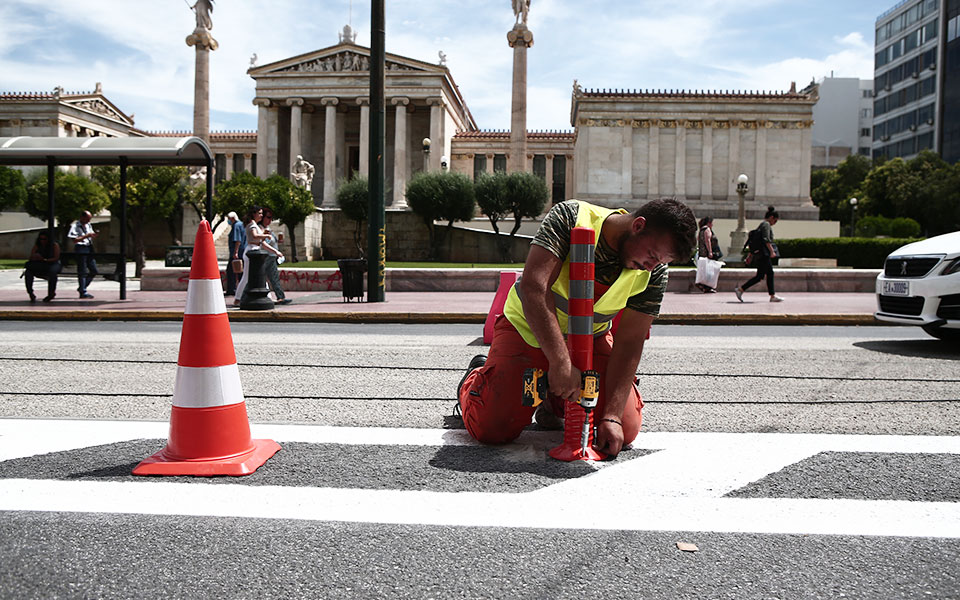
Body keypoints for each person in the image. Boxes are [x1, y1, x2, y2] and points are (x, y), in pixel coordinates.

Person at [456, 197, 697, 458]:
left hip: (590, 340)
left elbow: (630, 340)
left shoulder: (654, 271)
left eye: (661, 261)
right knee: (492, 428)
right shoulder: (571, 216)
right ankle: (476, 378)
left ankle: (555, 400)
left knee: (623, 429)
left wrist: (613, 416)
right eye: (652, 255)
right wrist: (560, 362)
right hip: (528, 331)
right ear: (637, 226)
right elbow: (534, 289)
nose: (652, 266)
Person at [736, 206, 783, 303]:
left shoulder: (761, 225)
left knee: (762, 275)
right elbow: (766, 239)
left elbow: (755, 241)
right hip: (764, 254)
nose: (774, 223)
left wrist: (750, 255)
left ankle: (741, 289)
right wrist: (772, 251)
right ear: (771, 217)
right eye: (775, 221)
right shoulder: (766, 225)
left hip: (760, 254)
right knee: (766, 274)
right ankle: (771, 295)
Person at [234, 206, 272, 306]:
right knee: (247, 277)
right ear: (254, 214)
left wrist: (275, 251)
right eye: (259, 213)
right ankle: (237, 298)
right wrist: (265, 236)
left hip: (256, 250)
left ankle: (268, 297)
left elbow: (260, 241)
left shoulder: (254, 224)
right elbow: (254, 236)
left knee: (261, 275)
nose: (261, 215)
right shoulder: (252, 224)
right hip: (252, 251)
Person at [260, 209, 292, 305]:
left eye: (271, 218)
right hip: (267, 256)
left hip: (271, 256)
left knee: (272, 277)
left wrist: (277, 241)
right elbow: (264, 243)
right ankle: (279, 296)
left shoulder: (267, 228)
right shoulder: (261, 229)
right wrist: (276, 251)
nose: (270, 220)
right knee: (267, 277)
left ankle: (280, 296)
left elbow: (271, 241)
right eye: (268, 217)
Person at [67, 210, 99, 299]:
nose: (88, 221)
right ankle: (83, 291)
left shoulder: (88, 225)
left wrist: (93, 235)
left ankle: (82, 287)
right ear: (82, 217)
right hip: (81, 248)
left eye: (90, 219)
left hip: (89, 247)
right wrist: (86, 236)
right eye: (87, 219)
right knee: (82, 271)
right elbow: (74, 240)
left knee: (94, 270)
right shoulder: (75, 226)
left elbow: (90, 235)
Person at [23, 231, 61, 302]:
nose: (42, 241)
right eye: (41, 239)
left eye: (44, 239)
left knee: (52, 273)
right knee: (28, 273)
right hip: (40, 264)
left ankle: (51, 293)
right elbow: (31, 256)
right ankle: (30, 292)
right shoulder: (37, 246)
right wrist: (35, 257)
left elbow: (56, 258)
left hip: (51, 263)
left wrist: (44, 259)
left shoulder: (54, 245)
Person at [695, 216, 720, 293]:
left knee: (704, 270)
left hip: (701, 254)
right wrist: (710, 251)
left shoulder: (701, 230)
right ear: (709, 223)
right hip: (706, 253)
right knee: (710, 271)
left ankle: (704, 286)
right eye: (711, 223)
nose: (712, 225)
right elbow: (707, 240)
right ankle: (706, 286)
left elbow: (698, 239)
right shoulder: (707, 230)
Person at [225, 211, 246, 296]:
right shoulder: (241, 224)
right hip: (242, 252)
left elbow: (237, 240)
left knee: (231, 271)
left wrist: (235, 252)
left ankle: (232, 289)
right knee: (240, 272)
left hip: (237, 253)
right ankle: (240, 290)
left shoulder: (236, 226)